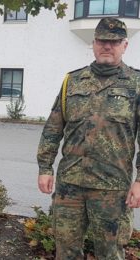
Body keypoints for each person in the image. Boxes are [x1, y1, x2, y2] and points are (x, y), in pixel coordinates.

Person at [37, 17, 140, 259]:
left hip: (111, 189)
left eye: (114, 42)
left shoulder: (136, 85)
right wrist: (45, 167)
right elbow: (53, 127)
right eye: (102, 41)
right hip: (70, 185)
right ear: (93, 44)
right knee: (66, 249)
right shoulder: (71, 82)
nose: (107, 46)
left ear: (125, 46)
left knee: (110, 253)